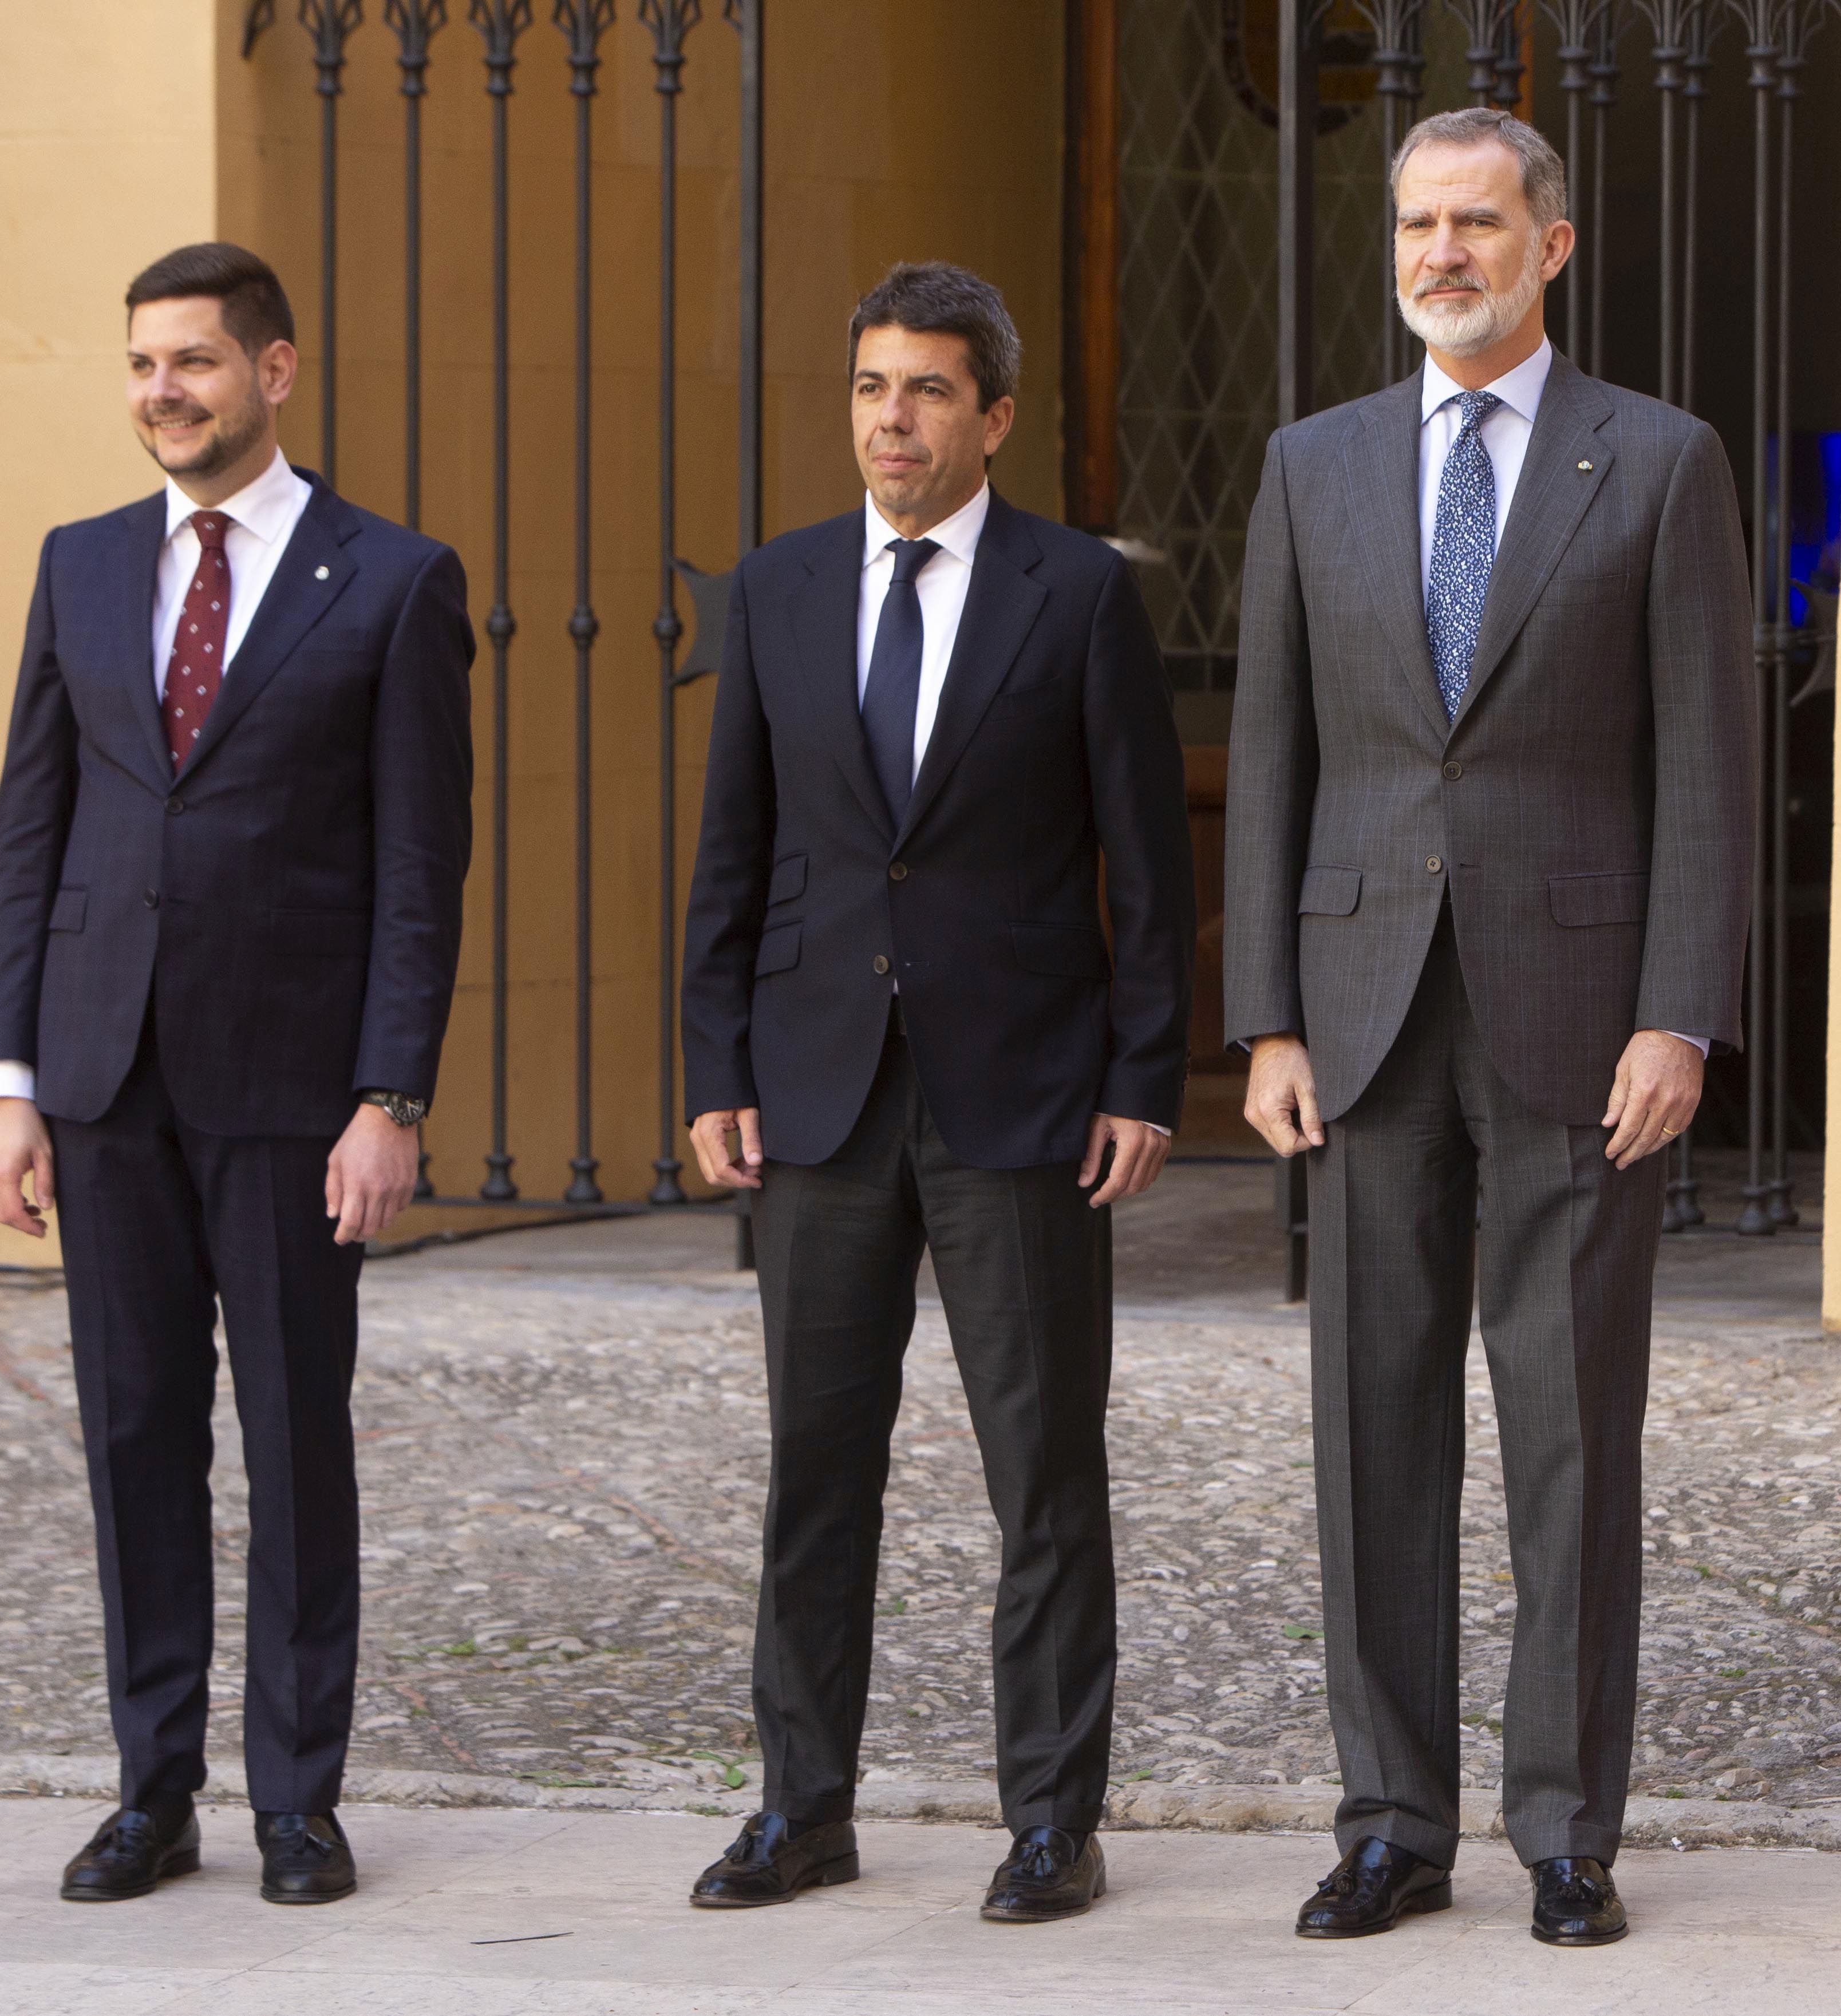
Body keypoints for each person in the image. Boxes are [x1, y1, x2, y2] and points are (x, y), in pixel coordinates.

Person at [1225, 107, 1755, 1948]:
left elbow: (1707, 759)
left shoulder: (1662, 462)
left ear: (1555, 244)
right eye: (1417, 225)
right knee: (1371, 1430)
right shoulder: (1313, 465)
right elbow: (1276, 753)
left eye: (1478, 222)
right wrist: (1263, 1017)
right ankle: (1390, 1819)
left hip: (1581, 1017)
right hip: (1363, 1014)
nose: (1442, 253)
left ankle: (1565, 1829)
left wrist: (1681, 1010)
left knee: (1569, 1435)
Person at [678, 262, 1191, 1922]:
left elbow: (1145, 854)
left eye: (925, 390)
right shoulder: (776, 587)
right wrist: (715, 1064)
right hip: (818, 1093)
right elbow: (736, 854)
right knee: (815, 1466)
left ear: (994, 415)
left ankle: (1052, 1816)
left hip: (1024, 1097)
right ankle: (799, 1804)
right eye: (869, 388)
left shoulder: (1077, 594)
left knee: (1042, 1467)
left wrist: (1142, 1073)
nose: (890, 418)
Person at [0, 243, 474, 1906]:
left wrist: (388, 1095)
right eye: (139, 365)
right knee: (132, 1437)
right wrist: (8, 1071)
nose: (160, 392)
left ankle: (296, 1801)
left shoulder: (393, 580)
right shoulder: (82, 565)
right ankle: (151, 1787)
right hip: (104, 1076)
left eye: (191, 360)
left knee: (291, 1439)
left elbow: (421, 865)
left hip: (290, 1091)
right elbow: (30, 828)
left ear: (273, 370)